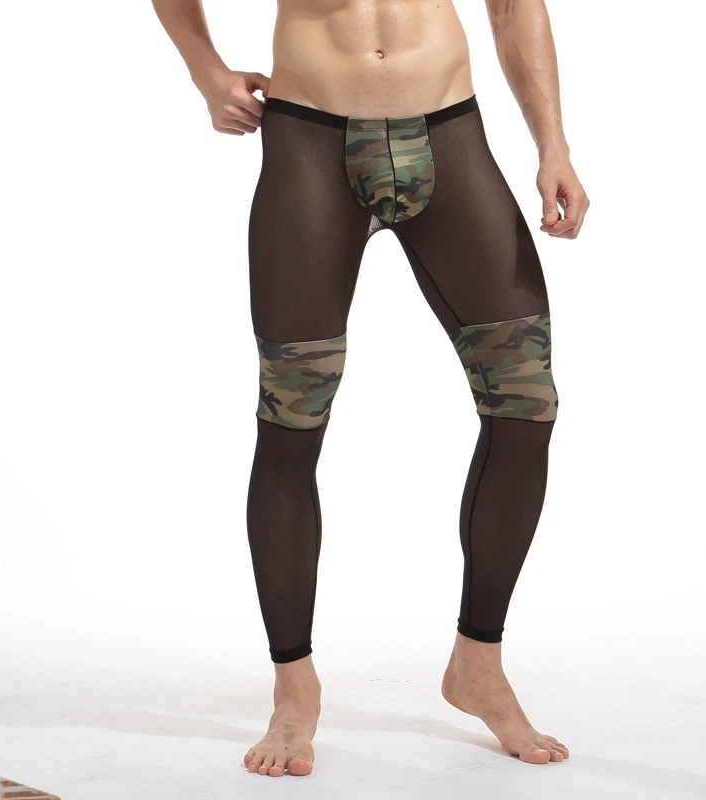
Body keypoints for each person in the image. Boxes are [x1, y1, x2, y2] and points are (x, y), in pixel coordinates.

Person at [152, 0, 589, 777]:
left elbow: (513, 5)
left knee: (526, 404)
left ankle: (478, 665)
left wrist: (552, 142)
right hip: (309, 144)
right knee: (292, 421)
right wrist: (205, 70)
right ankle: (294, 690)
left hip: (451, 136)